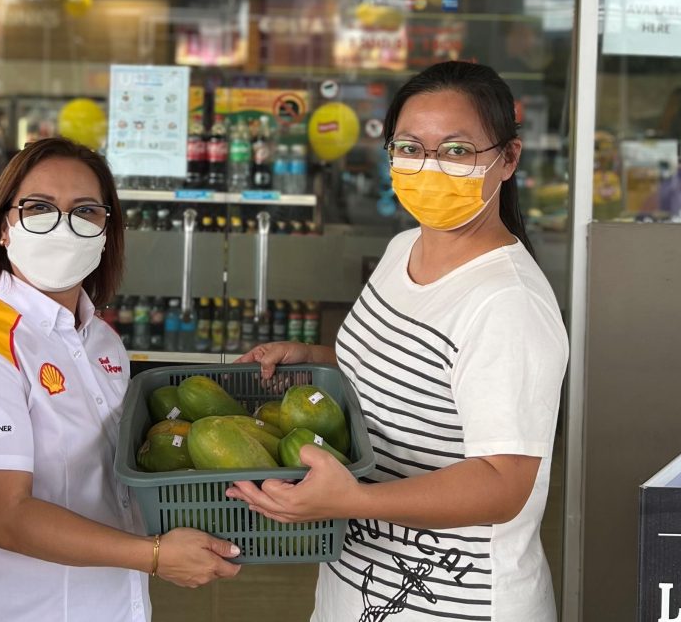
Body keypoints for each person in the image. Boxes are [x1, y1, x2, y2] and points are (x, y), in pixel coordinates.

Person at [229, 62, 568, 622]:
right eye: (410, 146)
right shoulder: (403, 247)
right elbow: (410, 371)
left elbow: (503, 483)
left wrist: (354, 501)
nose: (428, 166)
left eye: (457, 150)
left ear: (508, 159)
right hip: (360, 581)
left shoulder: (507, 303)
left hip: (456, 602)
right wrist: (317, 358)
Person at [0, 137, 240, 621]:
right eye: (40, 208)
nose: (63, 226)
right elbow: (6, 518)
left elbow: (118, 478)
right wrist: (154, 555)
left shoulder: (101, 343)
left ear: (106, 232)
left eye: (85, 211)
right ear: (4, 227)